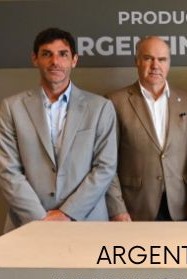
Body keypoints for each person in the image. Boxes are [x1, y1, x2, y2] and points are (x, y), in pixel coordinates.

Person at [0, 27, 117, 232]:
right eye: (47, 54)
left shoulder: (100, 107)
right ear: (35, 59)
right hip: (28, 225)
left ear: (74, 60)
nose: (55, 61)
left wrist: (67, 213)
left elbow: (105, 167)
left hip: (87, 222)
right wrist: (40, 218)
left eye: (63, 54)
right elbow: (8, 170)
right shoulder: (11, 107)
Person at [106, 36, 187, 221]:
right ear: (137, 61)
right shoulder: (115, 102)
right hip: (135, 207)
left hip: (180, 206)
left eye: (162, 59)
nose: (155, 65)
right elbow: (108, 161)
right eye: (148, 58)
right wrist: (117, 208)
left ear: (169, 63)